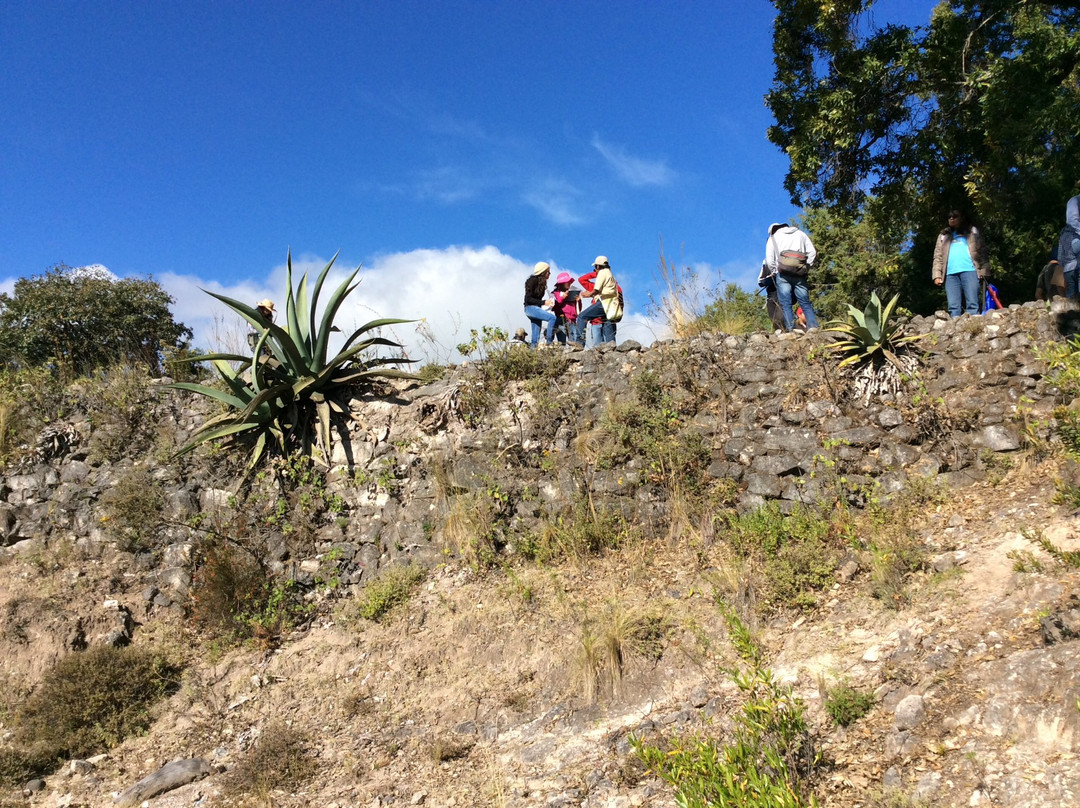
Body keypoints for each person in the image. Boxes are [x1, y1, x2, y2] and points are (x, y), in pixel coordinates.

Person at [931, 210, 989, 317]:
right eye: (949, 217)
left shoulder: (972, 231)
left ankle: (974, 325)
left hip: (970, 270)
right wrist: (937, 275)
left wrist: (984, 270)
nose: (952, 218)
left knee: (972, 303)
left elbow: (982, 251)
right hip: (950, 274)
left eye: (955, 216)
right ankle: (955, 327)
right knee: (953, 306)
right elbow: (938, 256)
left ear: (962, 218)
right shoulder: (943, 235)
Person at [764, 223, 819, 332]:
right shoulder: (800, 234)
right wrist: (806, 267)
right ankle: (813, 327)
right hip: (799, 273)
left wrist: (775, 271)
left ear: (772, 231)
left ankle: (791, 330)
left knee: (785, 303)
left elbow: (769, 260)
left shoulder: (773, 238)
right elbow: (812, 252)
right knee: (805, 302)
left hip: (783, 274)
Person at [576, 256, 623, 346]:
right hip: (611, 307)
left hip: (604, 303)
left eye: (595, 268)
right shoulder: (610, 275)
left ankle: (579, 343)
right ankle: (612, 351)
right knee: (609, 337)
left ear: (597, 266)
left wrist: (589, 294)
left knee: (582, 317)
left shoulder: (602, 273)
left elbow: (596, 289)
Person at [524, 262, 556, 347]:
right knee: (552, 318)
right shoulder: (532, 281)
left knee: (535, 337)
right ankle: (549, 342)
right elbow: (528, 299)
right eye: (548, 272)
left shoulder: (542, 283)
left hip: (535, 309)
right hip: (530, 308)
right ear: (543, 272)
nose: (549, 274)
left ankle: (532, 355)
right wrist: (544, 302)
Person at [551, 272, 582, 346]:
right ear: (562, 283)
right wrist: (563, 298)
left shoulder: (572, 293)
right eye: (567, 282)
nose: (569, 283)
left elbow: (578, 309)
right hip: (562, 320)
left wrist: (579, 301)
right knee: (562, 343)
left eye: (569, 282)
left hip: (573, 321)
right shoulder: (556, 293)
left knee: (574, 343)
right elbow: (555, 306)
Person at [757, 261, 786, 332]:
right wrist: (772, 278)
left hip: (784, 295)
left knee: (781, 317)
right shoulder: (766, 262)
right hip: (771, 297)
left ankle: (787, 332)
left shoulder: (785, 258)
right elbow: (760, 282)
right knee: (774, 320)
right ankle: (780, 335)